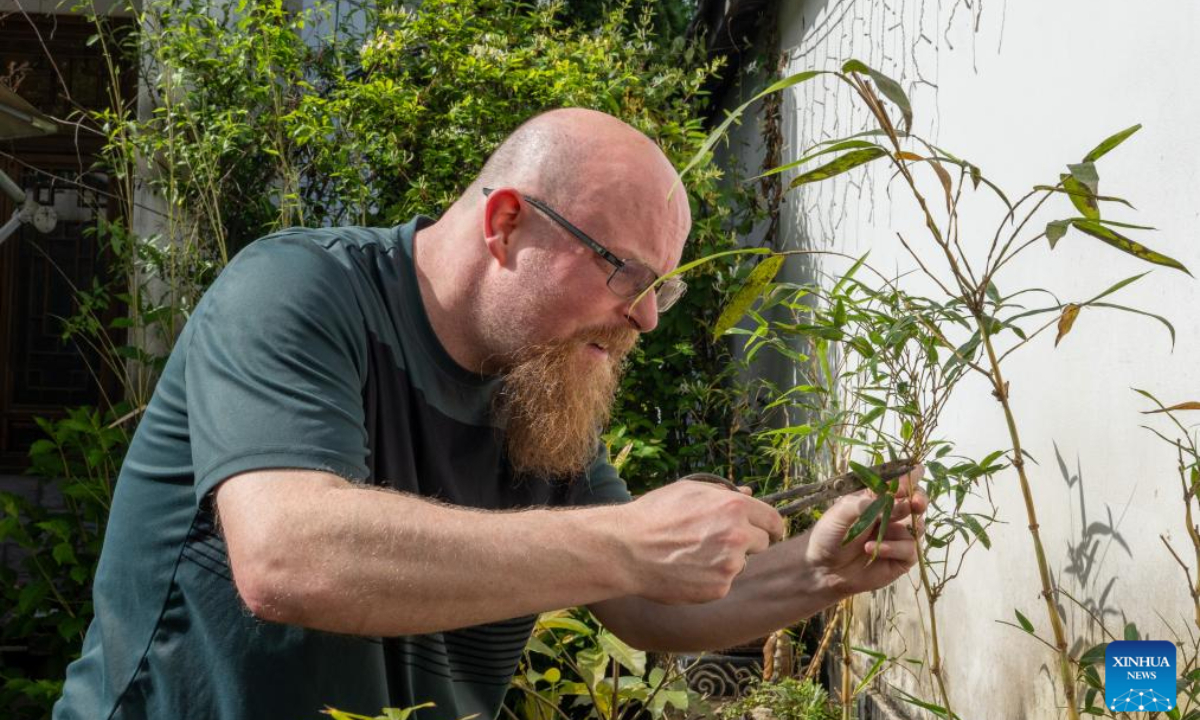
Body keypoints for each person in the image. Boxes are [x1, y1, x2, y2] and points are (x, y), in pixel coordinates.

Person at [53, 108, 927, 720]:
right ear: (506, 223)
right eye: (624, 271)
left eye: (665, 286)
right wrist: (626, 538)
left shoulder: (541, 382)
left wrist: (816, 574)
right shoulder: (298, 292)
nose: (648, 316)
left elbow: (643, 603)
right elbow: (289, 555)